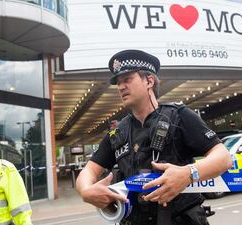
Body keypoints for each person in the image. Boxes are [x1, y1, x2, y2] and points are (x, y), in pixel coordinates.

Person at [76, 49, 233, 225]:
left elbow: (223, 157)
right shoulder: (117, 132)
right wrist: (86, 191)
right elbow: (88, 172)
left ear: (149, 81)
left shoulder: (179, 116)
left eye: (127, 79)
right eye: (118, 82)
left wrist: (188, 174)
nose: (120, 87)